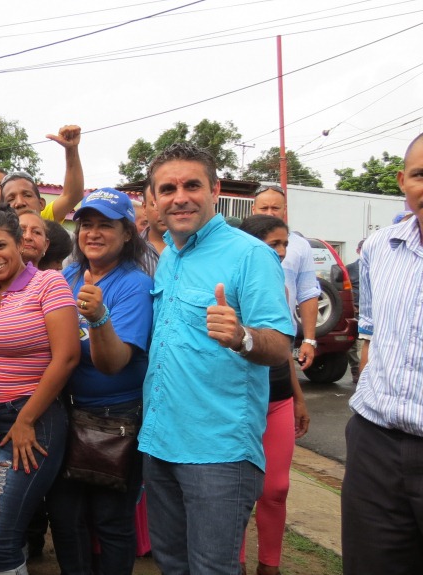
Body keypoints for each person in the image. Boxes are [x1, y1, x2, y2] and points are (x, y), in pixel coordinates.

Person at [140, 143, 293, 575]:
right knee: (171, 563)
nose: (180, 197)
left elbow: (281, 344)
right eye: (167, 188)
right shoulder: (169, 256)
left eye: (192, 184)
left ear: (215, 189)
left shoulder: (251, 255)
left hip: (219, 451)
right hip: (160, 440)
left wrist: (243, 336)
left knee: (212, 568)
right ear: (155, 199)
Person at [45, 188, 153, 575]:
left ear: (127, 233)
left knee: (110, 520)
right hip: (65, 414)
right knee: (65, 516)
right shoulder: (68, 274)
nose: (91, 232)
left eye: (104, 225)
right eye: (85, 224)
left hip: (115, 420)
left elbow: (114, 363)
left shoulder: (134, 284)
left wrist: (99, 318)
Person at [0, 206, 79, 575]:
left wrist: (26, 419)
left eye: (0, 245)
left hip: (30, 422)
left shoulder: (49, 284)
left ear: (20, 243)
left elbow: (66, 357)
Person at [341, 132, 423, 575]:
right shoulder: (379, 248)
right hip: (376, 446)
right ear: (402, 182)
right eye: (420, 175)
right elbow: (369, 336)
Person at [237, 214, 312, 575]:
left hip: (279, 398)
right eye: (274, 244)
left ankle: (270, 565)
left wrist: (298, 397)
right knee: (235, 491)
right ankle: (232, 562)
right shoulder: (233, 283)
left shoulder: (281, 288)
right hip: (242, 401)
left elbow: (284, 350)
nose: (283, 252)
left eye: (285, 244)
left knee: (276, 488)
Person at [252, 185, 322, 369]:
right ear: (253, 210)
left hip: (282, 336)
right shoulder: (238, 241)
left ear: (284, 210)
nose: (270, 213)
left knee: (281, 393)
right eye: (264, 208)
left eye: (275, 208)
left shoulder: (300, 246)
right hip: (244, 335)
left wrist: (309, 340)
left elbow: (307, 293)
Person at [0, 125, 84, 223]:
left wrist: (72, 149)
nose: (20, 203)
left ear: (41, 204)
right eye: (10, 199)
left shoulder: (44, 221)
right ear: (2, 210)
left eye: (27, 195)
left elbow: (72, 195)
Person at [345, 238, 365, 384]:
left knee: (372, 342)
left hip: (374, 312)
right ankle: (356, 370)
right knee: (351, 343)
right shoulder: (349, 269)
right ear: (358, 251)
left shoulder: (382, 267)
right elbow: (345, 290)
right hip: (355, 311)